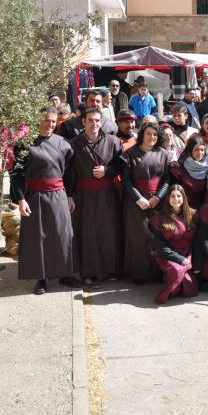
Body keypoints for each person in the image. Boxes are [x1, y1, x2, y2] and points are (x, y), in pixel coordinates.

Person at [11, 107, 78, 294]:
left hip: (58, 195)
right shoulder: (24, 145)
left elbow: (69, 173)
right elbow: (16, 175)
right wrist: (21, 199)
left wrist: (70, 195)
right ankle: (41, 278)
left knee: (62, 234)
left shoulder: (64, 144)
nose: (50, 124)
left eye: (53, 121)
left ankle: (65, 274)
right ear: (38, 120)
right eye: (46, 120)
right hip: (34, 195)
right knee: (37, 238)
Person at [68, 108, 123, 288]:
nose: (94, 124)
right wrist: (69, 195)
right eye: (90, 120)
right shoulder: (73, 144)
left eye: (97, 120)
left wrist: (107, 171)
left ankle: (111, 268)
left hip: (107, 193)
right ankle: (88, 273)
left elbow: (121, 166)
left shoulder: (113, 141)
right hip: (84, 195)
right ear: (83, 121)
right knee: (87, 233)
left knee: (109, 231)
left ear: (102, 122)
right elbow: (67, 172)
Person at [119, 121, 171, 283]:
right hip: (136, 202)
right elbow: (126, 181)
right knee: (139, 237)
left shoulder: (164, 154)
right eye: (148, 133)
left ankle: (157, 273)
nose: (152, 137)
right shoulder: (130, 154)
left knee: (157, 236)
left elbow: (167, 180)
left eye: (155, 134)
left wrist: (158, 197)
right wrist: (138, 198)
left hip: (158, 202)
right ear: (142, 134)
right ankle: (139, 273)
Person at [148, 185, 199, 304]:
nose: (176, 199)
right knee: (177, 271)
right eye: (172, 196)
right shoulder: (159, 218)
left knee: (190, 290)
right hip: (168, 255)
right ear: (168, 199)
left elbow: (197, 240)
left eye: (179, 196)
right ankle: (165, 293)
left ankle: (176, 282)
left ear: (184, 198)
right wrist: (178, 258)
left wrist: (197, 263)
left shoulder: (193, 215)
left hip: (188, 254)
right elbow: (160, 246)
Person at [170, 134, 208, 209]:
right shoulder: (178, 169)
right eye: (196, 150)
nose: (200, 153)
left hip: (201, 207)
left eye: (202, 150)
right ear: (190, 150)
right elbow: (174, 194)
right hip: (181, 207)